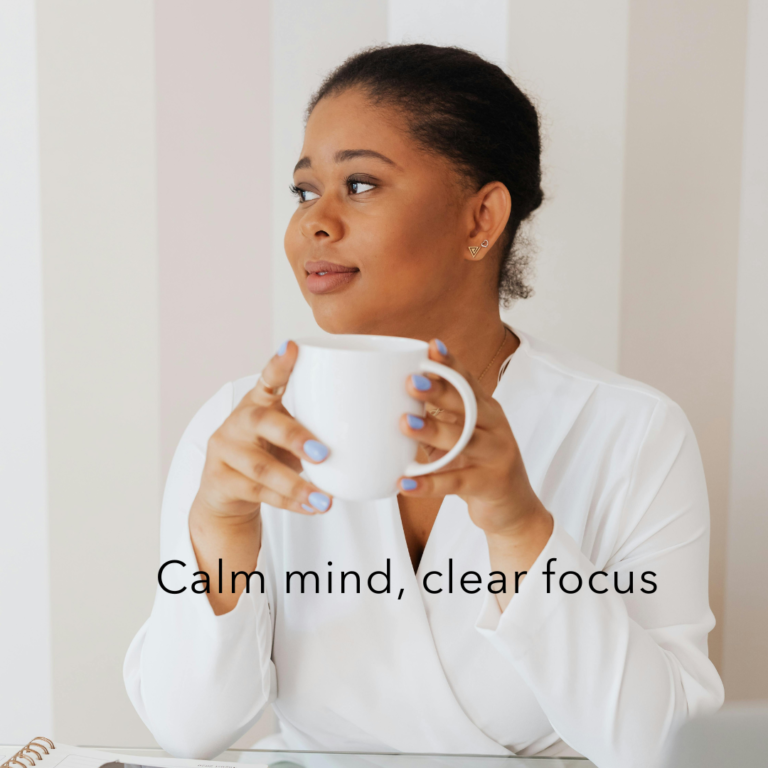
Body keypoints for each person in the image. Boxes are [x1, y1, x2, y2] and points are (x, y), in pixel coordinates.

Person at [123, 44, 723, 768]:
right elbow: (187, 731)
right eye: (305, 191)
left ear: (480, 218)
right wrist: (220, 528)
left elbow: (668, 750)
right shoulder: (244, 432)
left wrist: (518, 528)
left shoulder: (631, 432)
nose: (314, 223)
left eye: (361, 184)